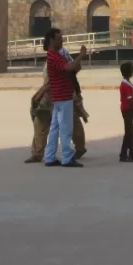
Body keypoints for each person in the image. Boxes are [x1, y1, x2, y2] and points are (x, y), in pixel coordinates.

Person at [42, 28, 87, 168]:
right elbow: (69, 68)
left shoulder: (54, 55)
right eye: (59, 38)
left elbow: (71, 68)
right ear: (52, 40)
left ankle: (49, 156)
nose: (61, 40)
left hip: (59, 96)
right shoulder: (54, 56)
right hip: (63, 96)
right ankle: (67, 157)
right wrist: (81, 55)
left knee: (55, 128)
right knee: (65, 128)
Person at [119, 61, 133, 162]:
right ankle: (123, 154)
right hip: (128, 110)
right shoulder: (125, 85)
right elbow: (130, 99)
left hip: (128, 110)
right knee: (128, 133)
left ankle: (131, 152)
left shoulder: (126, 83)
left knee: (130, 132)